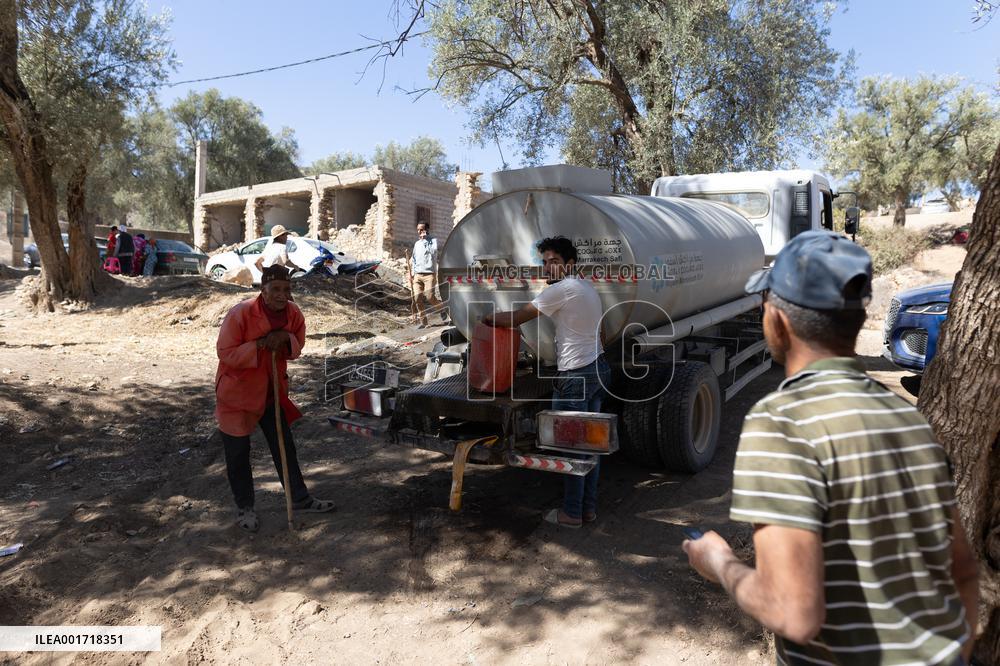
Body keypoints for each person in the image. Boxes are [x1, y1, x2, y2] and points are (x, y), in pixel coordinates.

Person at [682, 230, 979, 665]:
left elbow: (793, 613)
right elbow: (964, 571)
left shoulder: (783, 421)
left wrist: (720, 562)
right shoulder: (911, 420)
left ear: (777, 319)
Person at [483, 236, 609, 528]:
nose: (549, 267)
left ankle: (572, 514)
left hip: (576, 376)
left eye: (554, 261)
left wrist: (488, 318)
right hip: (598, 369)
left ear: (570, 264)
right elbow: (601, 332)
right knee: (590, 446)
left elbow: (517, 318)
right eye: (545, 262)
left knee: (571, 447)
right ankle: (587, 509)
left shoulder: (562, 290)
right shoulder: (587, 287)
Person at [215, 264, 334, 532]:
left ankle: (300, 498)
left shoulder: (293, 313)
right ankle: (245, 508)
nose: (282, 295)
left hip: (272, 392)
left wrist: (285, 337)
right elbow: (225, 352)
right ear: (263, 291)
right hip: (237, 395)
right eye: (276, 289)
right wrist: (259, 344)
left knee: (284, 446)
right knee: (238, 454)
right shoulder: (241, 313)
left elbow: (298, 345)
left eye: (287, 289)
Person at [410, 222, 446, 328]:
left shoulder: (433, 241)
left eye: (421, 229)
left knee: (430, 297)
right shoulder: (417, 244)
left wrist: (425, 241)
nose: (419, 232)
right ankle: (423, 322)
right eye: (418, 230)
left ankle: (442, 309)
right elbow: (414, 259)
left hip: (429, 274)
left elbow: (433, 252)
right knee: (417, 298)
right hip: (417, 275)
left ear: (426, 230)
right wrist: (412, 273)